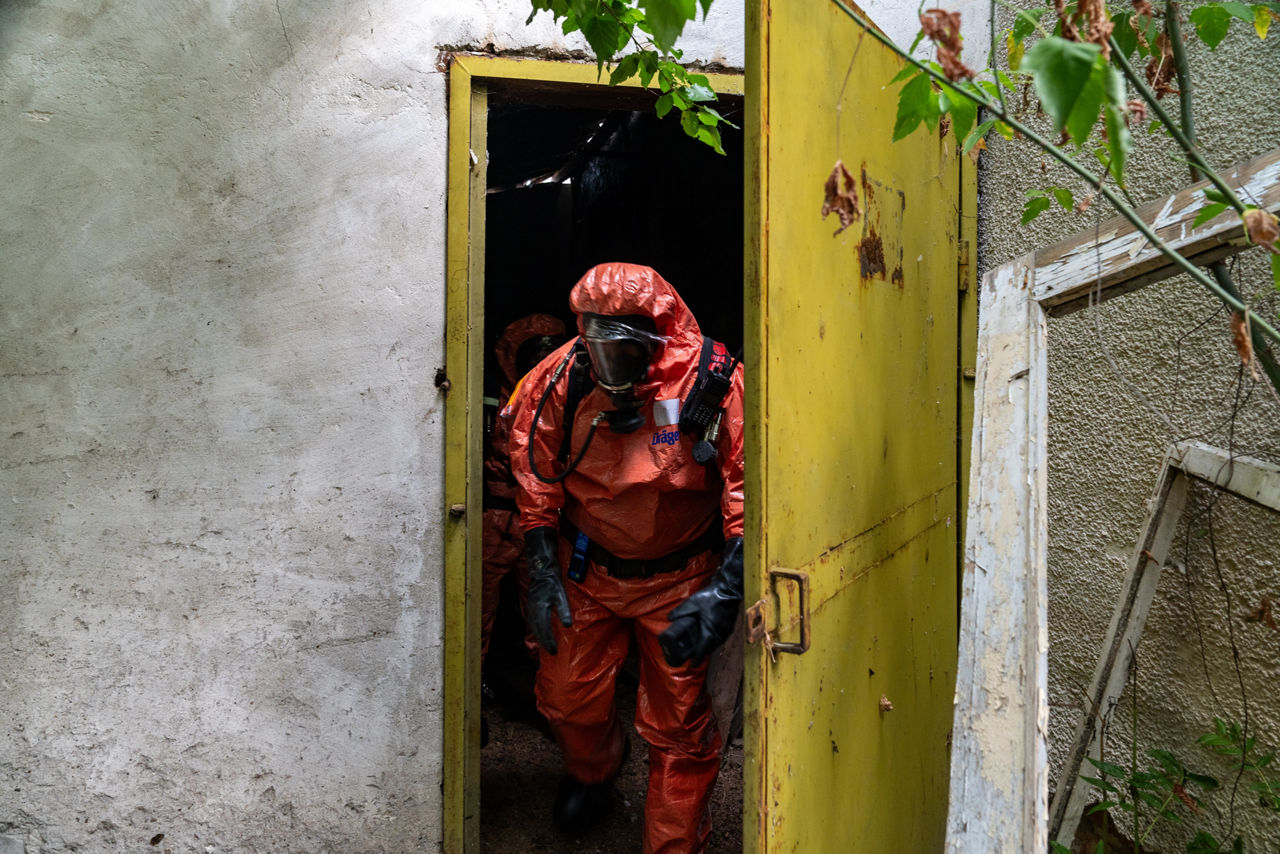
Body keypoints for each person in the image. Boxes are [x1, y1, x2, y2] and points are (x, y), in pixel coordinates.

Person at [508, 262, 745, 854]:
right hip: (586, 569)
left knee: (679, 730)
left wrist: (725, 589)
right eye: (597, 345)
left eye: (626, 350)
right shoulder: (557, 380)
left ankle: (672, 845)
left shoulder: (712, 382)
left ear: (658, 337)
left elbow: (749, 488)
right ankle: (594, 771)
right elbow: (535, 475)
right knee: (567, 699)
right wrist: (540, 567)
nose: (611, 367)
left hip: (681, 577)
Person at [481, 314, 568, 672]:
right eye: (534, 355)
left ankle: (550, 694)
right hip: (493, 518)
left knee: (545, 613)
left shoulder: (561, 401)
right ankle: (475, 688)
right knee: (477, 612)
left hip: (540, 524)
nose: (540, 365)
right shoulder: (490, 399)